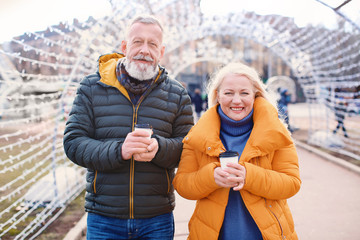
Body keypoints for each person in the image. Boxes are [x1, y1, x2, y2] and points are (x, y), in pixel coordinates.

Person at [63, 15, 194, 239]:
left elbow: (189, 149)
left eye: (152, 44)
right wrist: (119, 151)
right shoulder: (92, 87)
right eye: (137, 42)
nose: (145, 49)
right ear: (124, 46)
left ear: (161, 52)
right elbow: (74, 142)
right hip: (104, 217)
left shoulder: (177, 94)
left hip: (157, 219)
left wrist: (159, 149)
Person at [173, 62, 301, 240]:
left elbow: (291, 183)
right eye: (228, 93)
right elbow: (182, 185)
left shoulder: (277, 133)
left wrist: (250, 176)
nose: (236, 100)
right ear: (217, 95)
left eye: (244, 93)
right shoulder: (197, 136)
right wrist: (211, 177)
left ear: (255, 95)